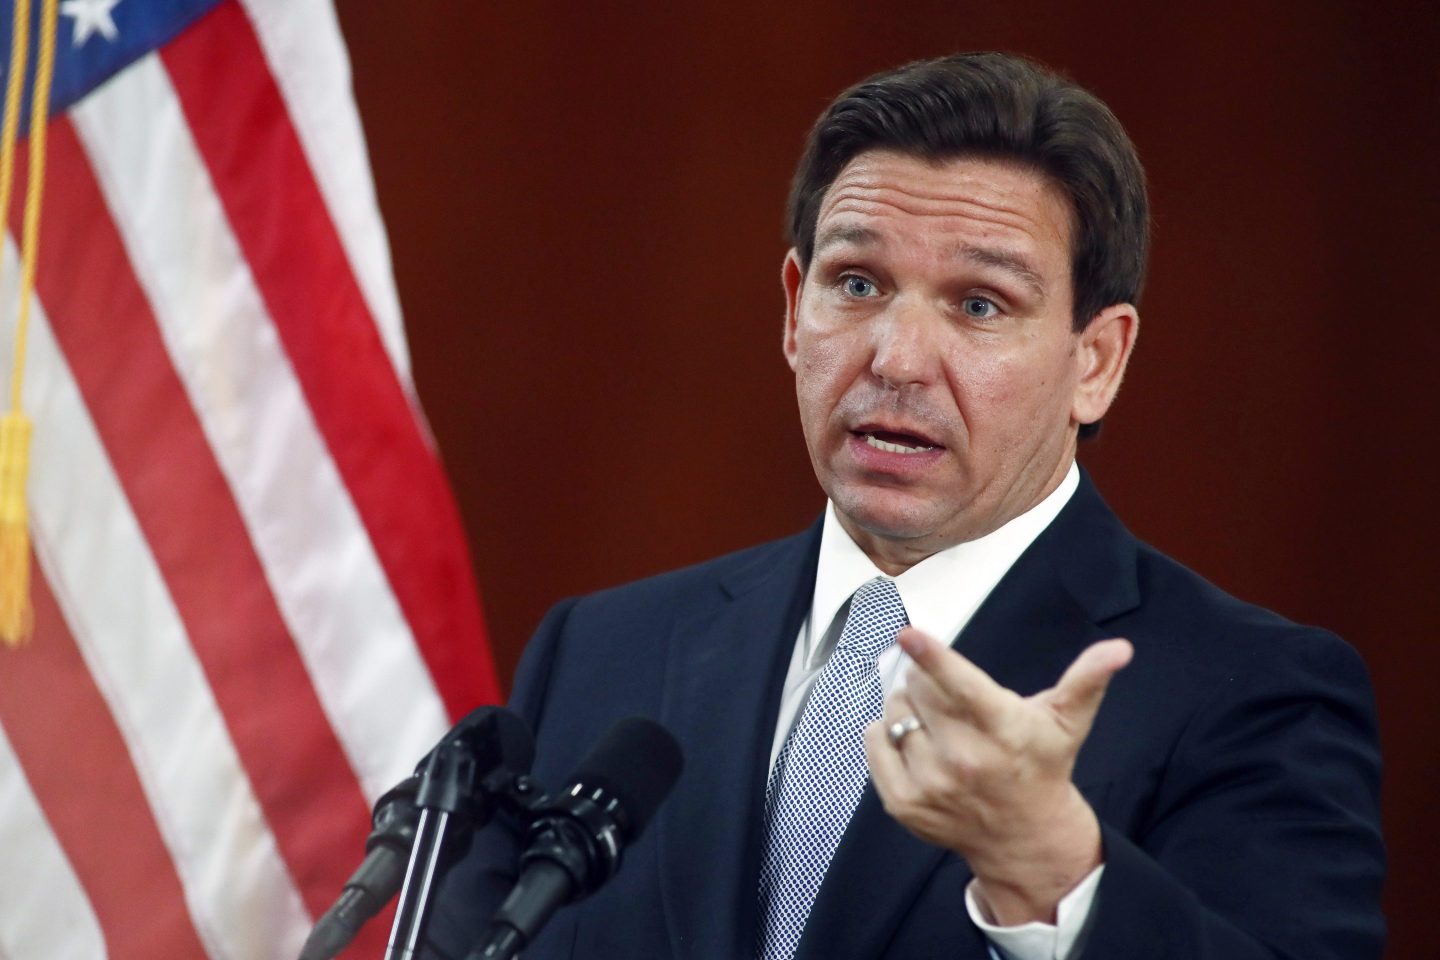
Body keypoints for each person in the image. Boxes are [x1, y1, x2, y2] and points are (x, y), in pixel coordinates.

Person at [422, 52, 1384, 960]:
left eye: (979, 304)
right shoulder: (602, 651)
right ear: (794, 308)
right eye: (857, 283)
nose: (896, 358)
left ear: (1096, 362)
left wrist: (1050, 868)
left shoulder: (1253, 694)